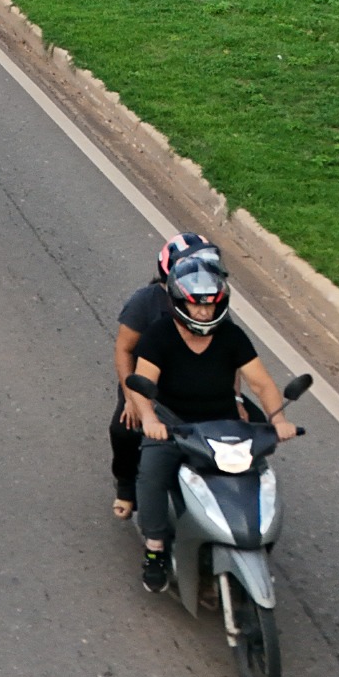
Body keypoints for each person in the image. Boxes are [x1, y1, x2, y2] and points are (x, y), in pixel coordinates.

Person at [124, 250, 296, 593]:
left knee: (257, 476)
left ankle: (255, 540)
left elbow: (261, 383)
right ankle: (155, 548)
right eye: (197, 304)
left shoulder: (232, 337)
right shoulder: (159, 335)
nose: (204, 311)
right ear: (179, 302)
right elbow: (142, 385)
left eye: (211, 304)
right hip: (174, 425)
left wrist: (278, 419)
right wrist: (148, 418)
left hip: (224, 425)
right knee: (151, 474)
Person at [110, 233, 216, 519]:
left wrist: (234, 398)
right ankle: (126, 485)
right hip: (147, 382)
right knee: (124, 430)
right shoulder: (145, 302)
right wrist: (132, 399)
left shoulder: (211, 303)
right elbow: (124, 350)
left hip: (195, 382)